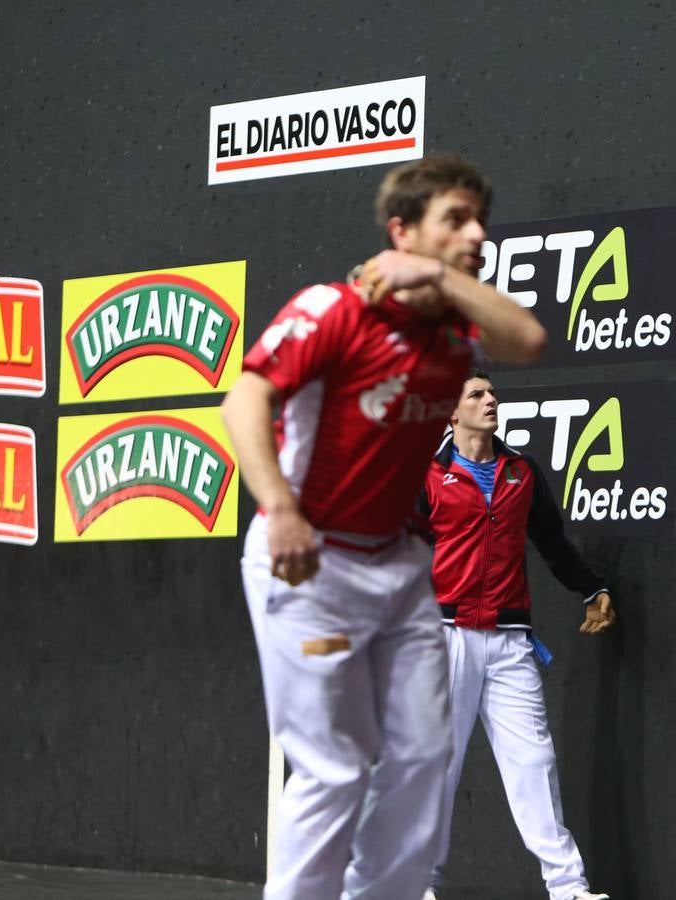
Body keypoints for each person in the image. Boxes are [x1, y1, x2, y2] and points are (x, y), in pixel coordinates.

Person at [221, 155, 546, 900]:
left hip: (399, 573)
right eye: (455, 221)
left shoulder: (457, 339)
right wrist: (281, 511)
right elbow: (244, 403)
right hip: (310, 564)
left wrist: (435, 276)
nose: (476, 235)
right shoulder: (336, 310)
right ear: (402, 230)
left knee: (426, 755)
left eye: (480, 222)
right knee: (336, 767)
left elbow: (526, 340)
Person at [420, 370, 616, 900]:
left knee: (535, 763)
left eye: (491, 392)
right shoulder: (428, 475)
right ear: (452, 413)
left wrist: (590, 588)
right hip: (445, 637)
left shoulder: (520, 472)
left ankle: (568, 888)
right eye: (476, 395)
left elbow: (553, 542)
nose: (491, 400)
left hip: (510, 641)